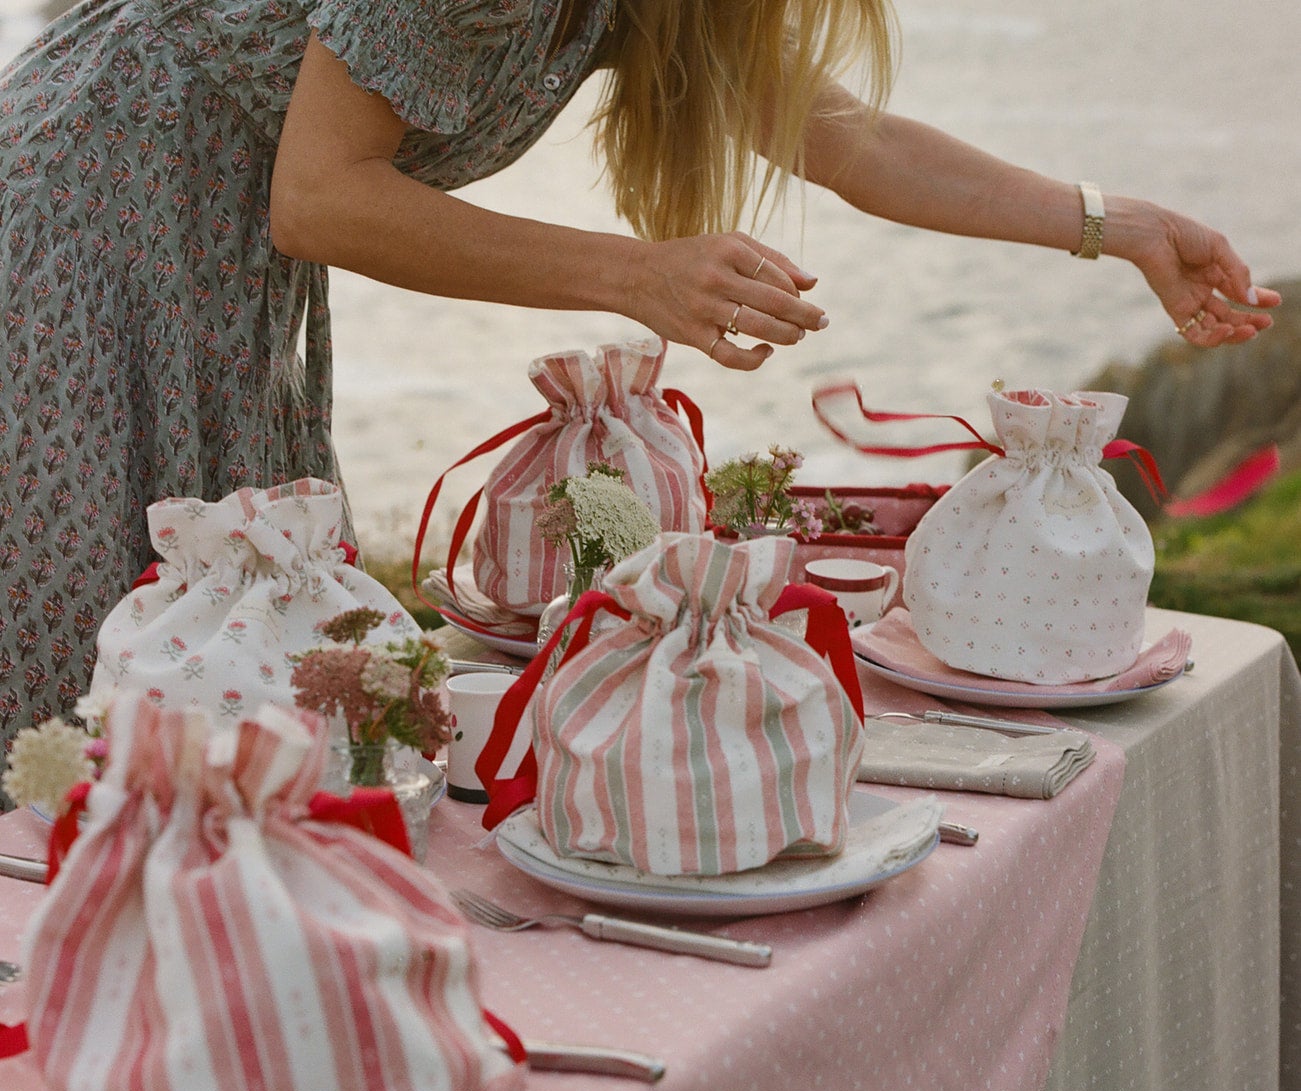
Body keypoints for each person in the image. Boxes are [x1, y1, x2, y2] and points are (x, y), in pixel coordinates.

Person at [0, 0, 1279, 748]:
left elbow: (851, 138)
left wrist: (1114, 225)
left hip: (211, 272)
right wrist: (638, 275)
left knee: (211, 678)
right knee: (81, 673)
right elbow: (321, 198)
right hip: (78, 226)